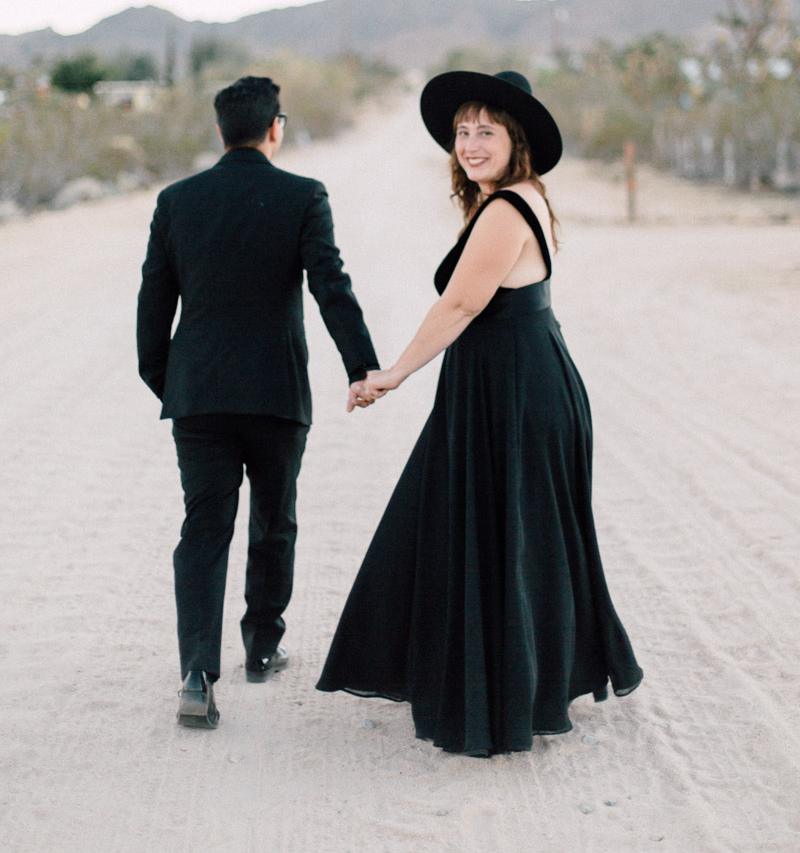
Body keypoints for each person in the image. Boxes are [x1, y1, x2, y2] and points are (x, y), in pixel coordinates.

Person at [317, 70, 643, 756]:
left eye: (485, 131)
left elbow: (460, 306)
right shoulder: (519, 198)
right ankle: (516, 684)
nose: (469, 143)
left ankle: (502, 697)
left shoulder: (503, 210)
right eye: (462, 132)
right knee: (506, 535)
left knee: (501, 534)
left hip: (515, 392)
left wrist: (393, 373)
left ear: (514, 139)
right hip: (517, 383)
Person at [137, 75, 379, 728]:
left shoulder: (177, 200)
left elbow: (152, 310)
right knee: (275, 519)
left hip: (200, 398)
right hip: (276, 393)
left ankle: (195, 672)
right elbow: (331, 284)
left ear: (221, 131)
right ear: (277, 127)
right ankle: (262, 645)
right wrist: (361, 364)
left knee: (205, 528)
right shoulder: (303, 196)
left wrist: (176, 385)